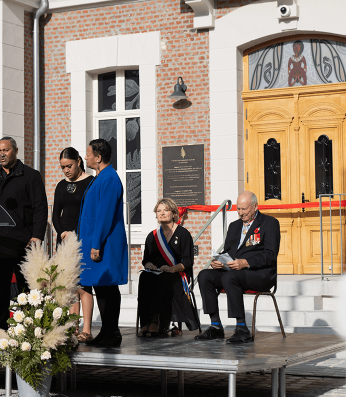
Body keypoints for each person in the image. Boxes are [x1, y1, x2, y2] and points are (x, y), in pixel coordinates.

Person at [0, 136, 48, 330]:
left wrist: (37, 235)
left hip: (23, 242)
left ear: (15, 151)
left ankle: (28, 327)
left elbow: (40, 207)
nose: (1, 154)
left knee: (26, 288)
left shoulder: (30, 176)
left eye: (5, 150)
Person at [195, 191, 280, 343]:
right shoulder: (234, 226)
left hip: (259, 274)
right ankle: (215, 326)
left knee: (230, 277)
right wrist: (220, 261)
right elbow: (228, 251)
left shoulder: (270, 223)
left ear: (255, 206)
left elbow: (270, 254)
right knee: (204, 275)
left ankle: (241, 328)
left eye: (244, 209)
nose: (240, 213)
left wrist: (246, 262)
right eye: (238, 209)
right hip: (234, 272)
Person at [77, 139, 128, 348]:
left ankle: (112, 332)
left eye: (88, 154)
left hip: (104, 243)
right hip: (94, 241)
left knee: (107, 287)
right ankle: (107, 332)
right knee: (101, 286)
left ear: (98, 158)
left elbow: (104, 215)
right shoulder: (100, 177)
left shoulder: (110, 179)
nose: (86, 157)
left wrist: (96, 243)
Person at [137, 198, 199, 337]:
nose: (162, 213)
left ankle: (158, 322)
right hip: (156, 272)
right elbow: (146, 259)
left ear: (174, 214)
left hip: (178, 273)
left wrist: (173, 268)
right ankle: (145, 322)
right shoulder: (152, 236)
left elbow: (188, 261)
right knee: (144, 277)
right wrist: (148, 265)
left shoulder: (183, 234)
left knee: (163, 280)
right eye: (159, 211)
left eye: (166, 210)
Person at [52, 147, 94, 343]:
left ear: (78, 161)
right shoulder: (61, 185)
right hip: (64, 240)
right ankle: (71, 327)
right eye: (62, 167)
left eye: (69, 166)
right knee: (68, 286)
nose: (66, 170)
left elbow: (90, 214)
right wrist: (62, 233)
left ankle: (86, 328)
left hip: (83, 238)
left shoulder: (90, 182)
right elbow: (55, 214)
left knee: (84, 286)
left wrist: (75, 233)